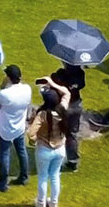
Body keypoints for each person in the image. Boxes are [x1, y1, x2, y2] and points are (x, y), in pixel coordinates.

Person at [26, 77, 72, 207]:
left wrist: (35, 141)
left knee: (43, 177)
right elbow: (67, 93)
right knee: (55, 176)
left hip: (44, 150)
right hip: (60, 149)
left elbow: (30, 133)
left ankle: (41, 204)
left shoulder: (42, 115)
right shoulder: (62, 108)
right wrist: (53, 84)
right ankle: (53, 204)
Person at [0, 65, 32, 191]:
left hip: (5, 128)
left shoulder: (4, 94)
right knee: (21, 151)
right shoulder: (27, 89)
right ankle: (24, 177)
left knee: (4, 154)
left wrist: (3, 86)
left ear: (8, 77)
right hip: (19, 126)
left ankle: (3, 184)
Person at [49, 60, 85, 173]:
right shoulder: (80, 73)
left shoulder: (60, 74)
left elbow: (52, 82)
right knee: (72, 135)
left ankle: (54, 160)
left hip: (64, 107)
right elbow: (82, 85)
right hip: (77, 106)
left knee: (57, 132)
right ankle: (73, 161)